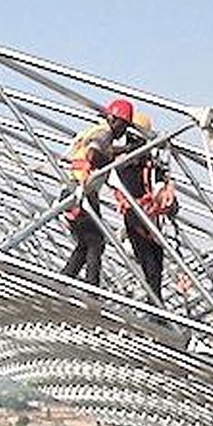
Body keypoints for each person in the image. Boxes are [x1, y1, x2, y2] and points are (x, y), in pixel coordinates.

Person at [61, 98, 133, 286]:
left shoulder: (95, 131)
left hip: (74, 190)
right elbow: (94, 155)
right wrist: (113, 157)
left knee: (86, 242)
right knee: (96, 242)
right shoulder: (105, 133)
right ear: (113, 119)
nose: (123, 131)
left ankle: (64, 281)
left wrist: (123, 150)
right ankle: (92, 289)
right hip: (81, 192)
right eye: (123, 125)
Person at [114, 111, 177, 304]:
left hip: (147, 217)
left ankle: (156, 306)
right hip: (137, 215)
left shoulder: (146, 163)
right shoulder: (127, 163)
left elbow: (159, 184)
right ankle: (156, 308)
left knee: (155, 264)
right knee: (151, 264)